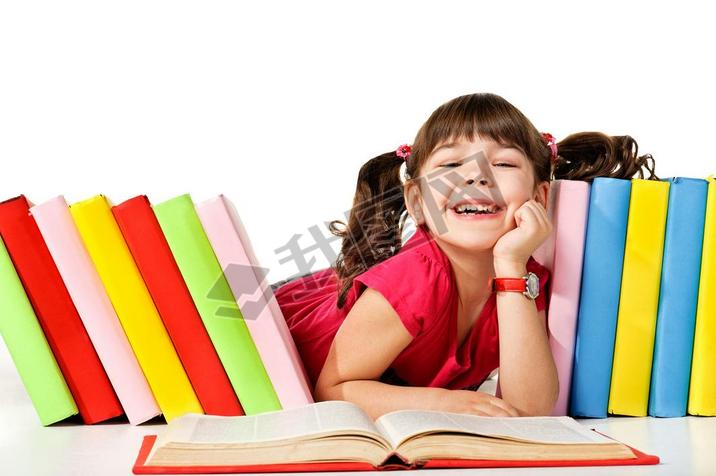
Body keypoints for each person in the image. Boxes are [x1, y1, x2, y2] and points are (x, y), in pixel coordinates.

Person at [273, 92, 658, 420]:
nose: (477, 177)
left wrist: (509, 265)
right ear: (417, 202)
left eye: (504, 163)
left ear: (539, 199)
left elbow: (531, 408)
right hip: (279, 323)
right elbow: (334, 389)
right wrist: (444, 403)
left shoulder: (523, 279)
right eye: (451, 165)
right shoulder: (413, 279)